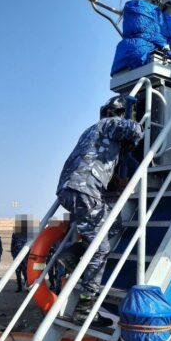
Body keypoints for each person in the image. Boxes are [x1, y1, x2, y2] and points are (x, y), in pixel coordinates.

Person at [56, 96, 143, 325]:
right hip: (84, 190)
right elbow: (134, 130)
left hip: (71, 189)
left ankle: (73, 253)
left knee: (115, 224)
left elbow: (99, 162)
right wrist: (134, 123)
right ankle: (85, 310)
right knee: (101, 249)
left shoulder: (91, 132)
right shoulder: (108, 124)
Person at [10, 215, 30, 293]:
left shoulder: (28, 234)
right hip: (17, 257)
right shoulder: (15, 234)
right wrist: (14, 255)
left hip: (25, 257)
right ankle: (19, 287)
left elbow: (31, 246)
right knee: (18, 273)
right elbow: (12, 245)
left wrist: (28, 257)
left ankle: (27, 287)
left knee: (26, 273)